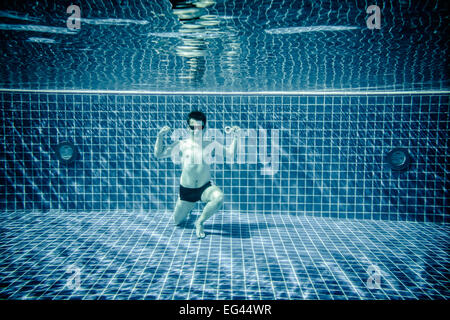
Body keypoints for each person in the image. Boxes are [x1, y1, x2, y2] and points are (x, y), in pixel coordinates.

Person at [154, 110, 239, 238]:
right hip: (187, 191)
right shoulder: (182, 144)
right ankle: (189, 206)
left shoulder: (210, 144)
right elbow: (159, 154)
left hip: (205, 188)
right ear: (188, 127)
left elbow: (231, 154)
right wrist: (160, 137)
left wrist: (236, 137)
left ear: (204, 127)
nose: (197, 130)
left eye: (200, 127)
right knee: (177, 222)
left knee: (219, 197)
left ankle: (200, 222)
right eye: (193, 127)